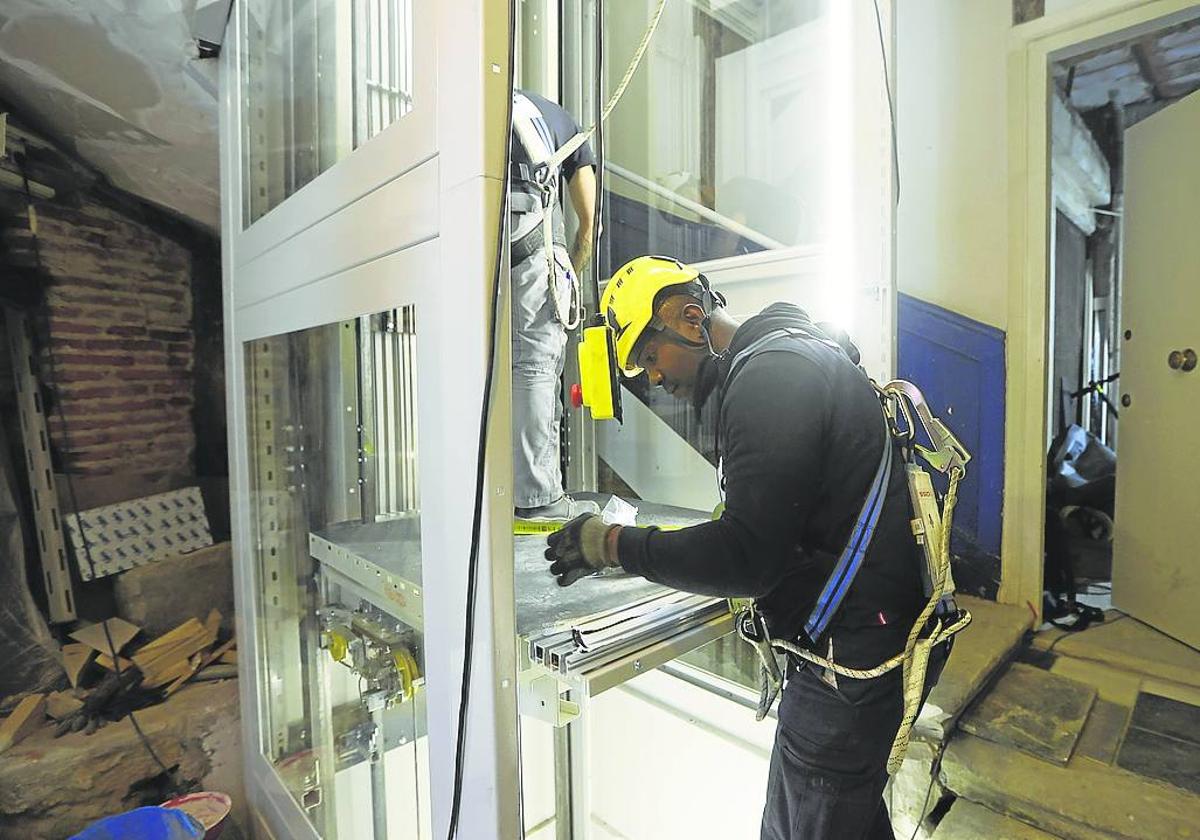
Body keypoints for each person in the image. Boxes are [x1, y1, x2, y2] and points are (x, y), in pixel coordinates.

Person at [544, 255, 952, 839]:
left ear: (690, 318)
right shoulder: (792, 353)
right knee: (846, 815)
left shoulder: (771, 378)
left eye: (650, 356)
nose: (652, 379)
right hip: (872, 643)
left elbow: (746, 558)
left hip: (849, 666)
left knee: (810, 818)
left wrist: (612, 544)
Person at [509, 89, 599, 521]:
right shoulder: (565, 124)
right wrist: (571, 275)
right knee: (535, 364)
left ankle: (491, 490)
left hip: (465, 240)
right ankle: (538, 497)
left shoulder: (479, 107)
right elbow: (588, 221)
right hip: (526, 238)